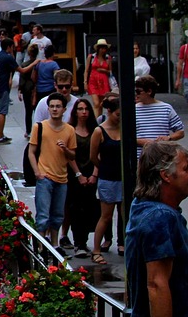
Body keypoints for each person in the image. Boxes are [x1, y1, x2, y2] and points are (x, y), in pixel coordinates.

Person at [125, 141, 188, 317]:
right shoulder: (159, 217)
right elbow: (156, 285)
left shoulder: (145, 207)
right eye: (185, 169)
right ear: (166, 175)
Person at [30, 92, 80, 249]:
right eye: (52, 106)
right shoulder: (40, 127)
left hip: (62, 178)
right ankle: (40, 247)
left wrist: (65, 149)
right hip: (44, 177)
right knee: (43, 216)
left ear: (64, 109)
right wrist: (37, 172)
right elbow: (31, 151)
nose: (54, 109)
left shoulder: (69, 130)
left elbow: (73, 155)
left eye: (58, 106)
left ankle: (54, 245)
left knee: (58, 216)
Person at [90, 94, 124, 264]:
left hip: (122, 177)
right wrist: (102, 168)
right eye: (117, 114)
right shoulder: (99, 131)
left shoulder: (123, 128)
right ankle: (96, 249)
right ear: (109, 112)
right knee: (106, 216)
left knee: (125, 214)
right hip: (107, 178)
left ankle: (125, 244)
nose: (120, 117)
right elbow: (93, 156)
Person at [65, 98, 100, 258]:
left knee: (89, 208)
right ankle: (78, 242)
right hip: (75, 175)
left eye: (86, 109)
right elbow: (69, 155)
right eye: (80, 109)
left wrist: (94, 174)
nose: (84, 112)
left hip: (92, 173)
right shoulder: (70, 130)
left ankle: (84, 241)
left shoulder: (95, 131)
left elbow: (99, 153)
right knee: (75, 208)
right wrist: (78, 174)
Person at [135, 75, 186, 155]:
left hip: (161, 156)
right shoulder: (133, 110)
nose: (136, 94)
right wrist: (142, 141)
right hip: (140, 157)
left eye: (138, 91)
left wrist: (168, 138)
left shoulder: (166, 108)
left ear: (149, 91)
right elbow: (124, 135)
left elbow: (180, 132)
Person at [0, 38, 19, 144]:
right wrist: (35, 63)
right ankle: (0, 136)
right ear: (9, 47)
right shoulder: (8, 57)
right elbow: (21, 70)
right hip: (2, 87)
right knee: (2, 111)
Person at [87, 39, 113, 110]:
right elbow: (86, 70)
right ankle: (95, 117)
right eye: (101, 48)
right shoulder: (91, 57)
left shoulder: (108, 58)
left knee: (101, 104)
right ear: (98, 48)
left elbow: (110, 72)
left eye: (104, 48)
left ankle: (99, 116)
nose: (103, 50)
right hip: (93, 81)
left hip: (104, 82)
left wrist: (103, 70)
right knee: (96, 103)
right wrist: (85, 82)